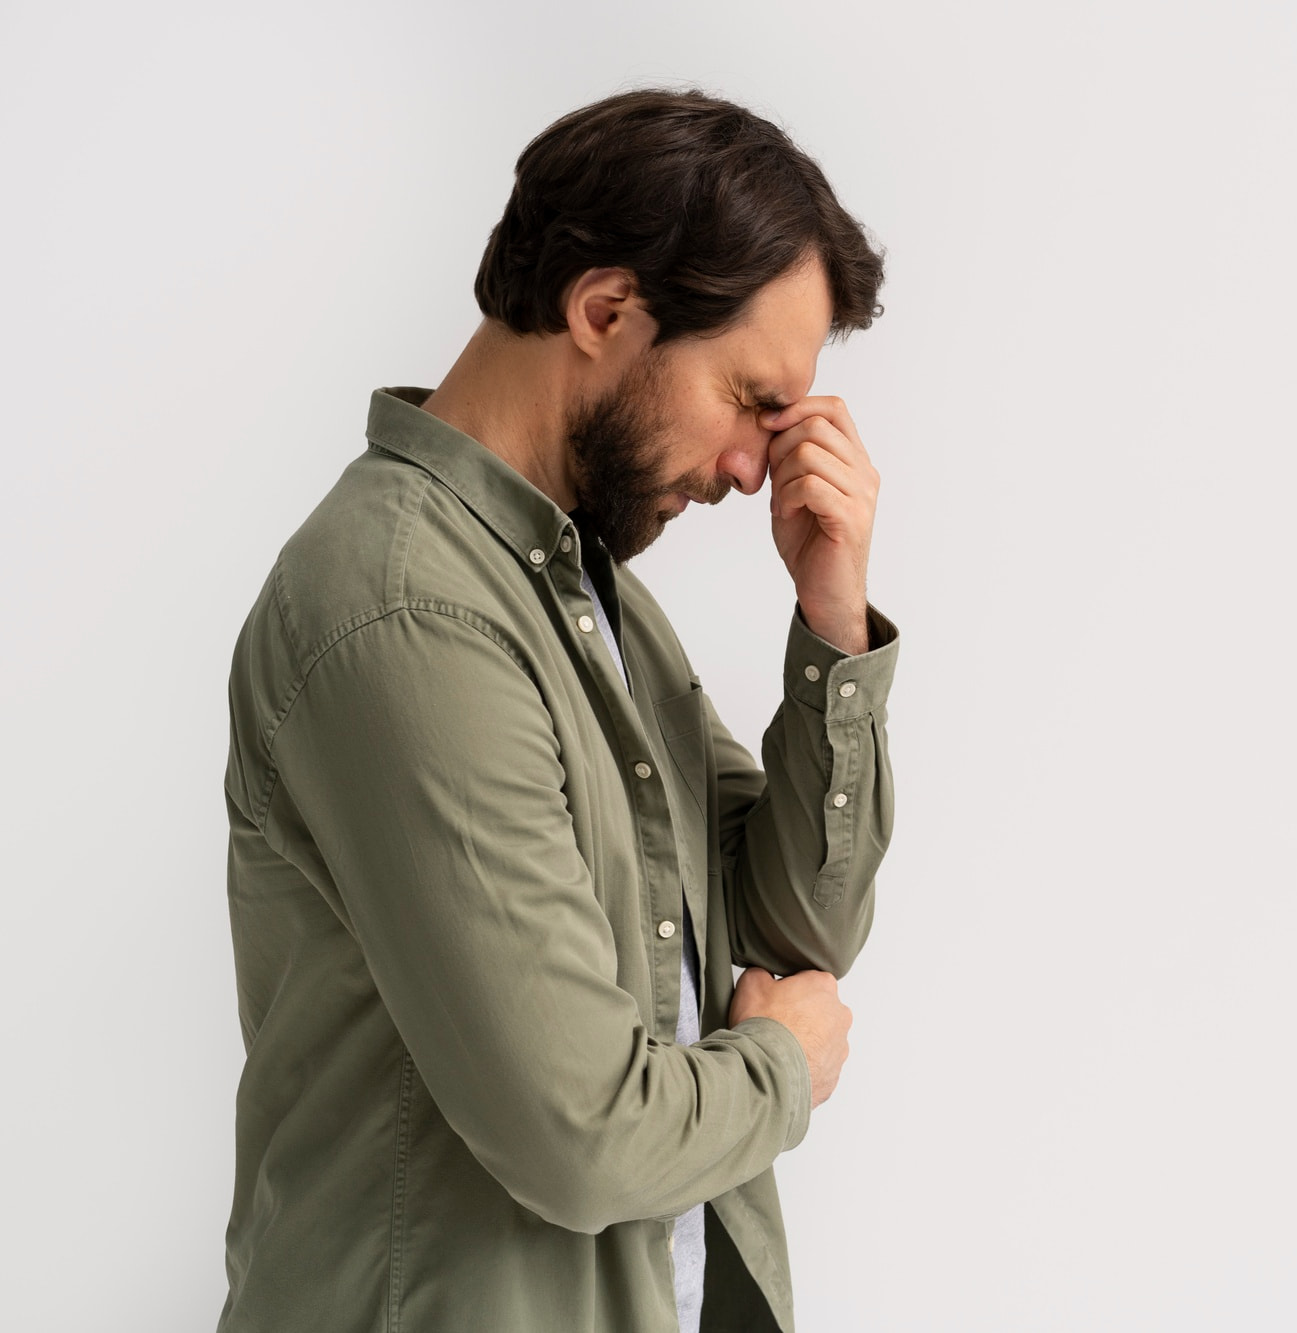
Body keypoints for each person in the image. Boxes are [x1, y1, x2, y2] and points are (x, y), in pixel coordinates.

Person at [216, 87, 899, 1333]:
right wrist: (782, 1068)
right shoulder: (408, 612)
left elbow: (790, 926)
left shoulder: (589, 601)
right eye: (750, 398)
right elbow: (579, 1133)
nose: (756, 466)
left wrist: (833, 622)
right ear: (602, 311)